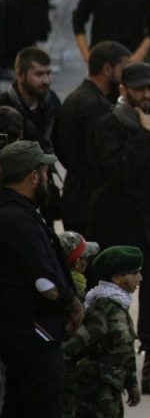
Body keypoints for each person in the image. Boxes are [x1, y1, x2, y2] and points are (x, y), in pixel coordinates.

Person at [91, 62, 150, 394]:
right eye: (140, 89)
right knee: (115, 297)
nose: (147, 95)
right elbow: (118, 172)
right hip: (123, 228)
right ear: (124, 91)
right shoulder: (110, 126)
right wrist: (144, 135)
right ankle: (115, 366)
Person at [0, 140, 83, 418]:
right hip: (32, 336)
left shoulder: (20, 214)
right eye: (46, 174)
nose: (48, 180)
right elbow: (42, 276)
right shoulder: (16, 220)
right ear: (32, 177)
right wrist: (72, 304)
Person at [55, 41, 132, 234]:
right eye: (124, 68)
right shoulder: (96, 108)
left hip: (75, 194)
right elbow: (101, 160)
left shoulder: (75, 98)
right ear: (107, 69)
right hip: (89, 203)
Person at [63, 245, 143, 417]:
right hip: (96, 394)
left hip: (111, 389)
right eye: (134, 273)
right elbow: (72, 347)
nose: (140, 278)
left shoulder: (119, 306)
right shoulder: (103, 309)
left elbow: (125, 351)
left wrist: (132, 384)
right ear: (117, 278)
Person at [0, 46, 60, 154]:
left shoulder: (51, 100)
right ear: (20, 74)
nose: (46, 80)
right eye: (39, 74)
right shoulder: (4, 106)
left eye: (48, 73)